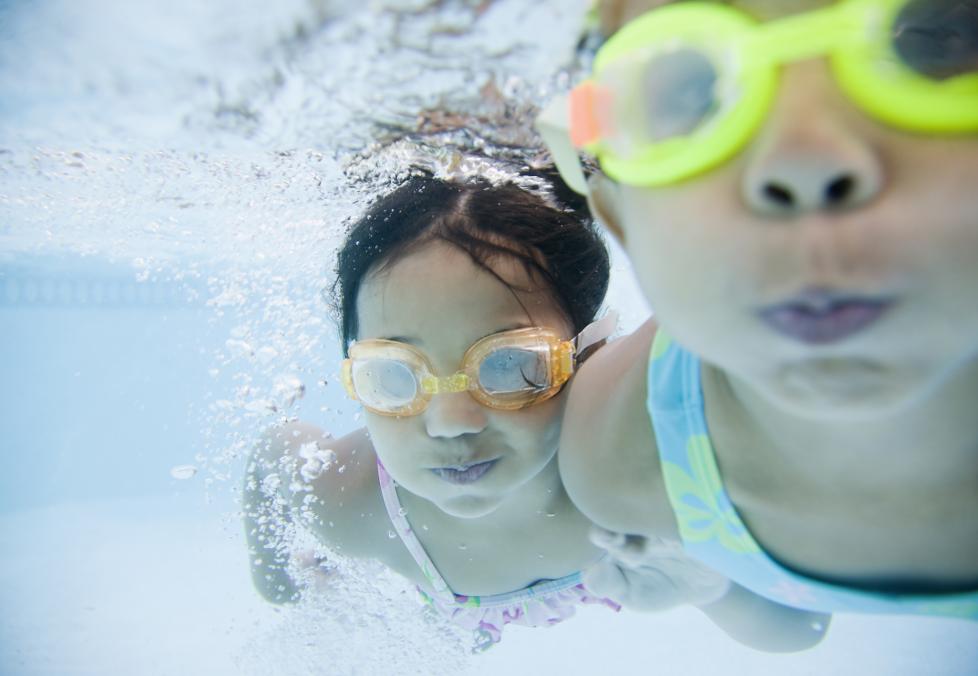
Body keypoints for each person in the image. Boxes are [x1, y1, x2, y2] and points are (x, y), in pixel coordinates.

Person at [243, 167, 828, 650]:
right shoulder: (347, 504)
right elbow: (272, 462)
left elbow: (802, 629)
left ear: (590, 352)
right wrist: (281, 586)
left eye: (509, 366)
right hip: (430, 572)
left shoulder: (648, 460)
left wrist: (718, 586)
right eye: (393, 376)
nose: (451, 423)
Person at [540, 0, 978, 620]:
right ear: (621, 219)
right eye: (696, 94)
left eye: (937, 42)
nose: (804, 161)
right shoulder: (617, 459)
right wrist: (716, 589)